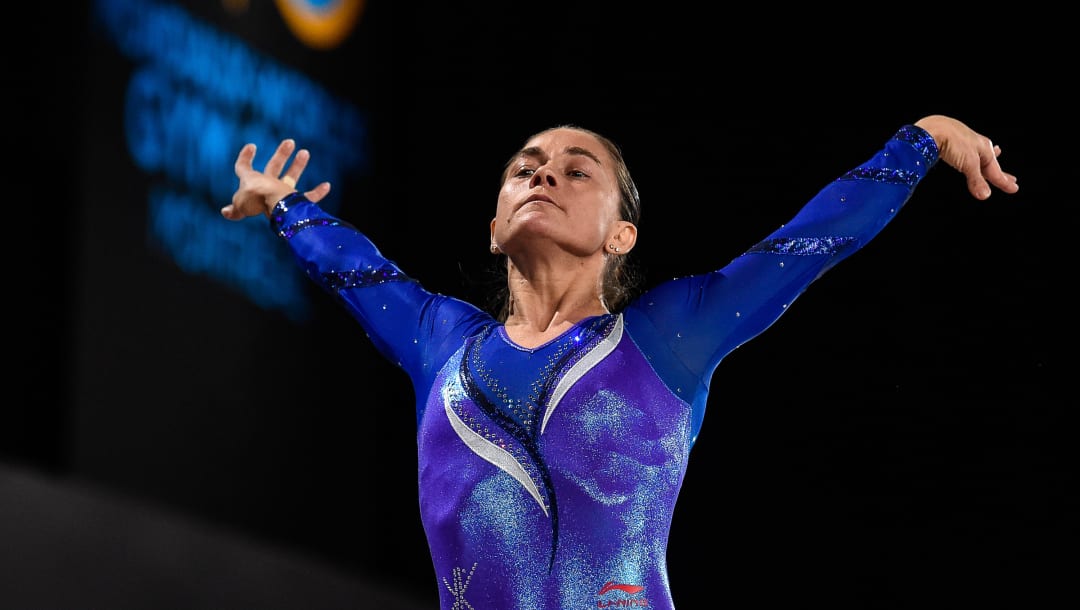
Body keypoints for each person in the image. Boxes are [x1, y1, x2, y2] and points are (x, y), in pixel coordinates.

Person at [222, 114, 1018, 609]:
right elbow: (358, 270)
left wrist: (921, 140)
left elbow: (804, 246)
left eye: (577, 170)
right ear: (494, 227)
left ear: (621, 235)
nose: (543, 174)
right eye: (526, 166)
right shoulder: (443, 345)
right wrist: (283, 206)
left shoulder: (664, 339)